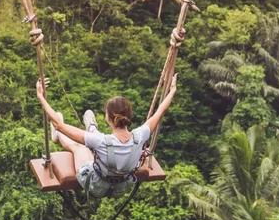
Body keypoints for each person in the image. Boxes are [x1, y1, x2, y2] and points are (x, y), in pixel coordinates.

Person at [35, 29, 184, 198]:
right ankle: (91, 126)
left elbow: (59, 125)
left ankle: (73, 132)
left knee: (79, 147)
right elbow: (161, 110)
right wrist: (172, 90)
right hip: (120, 188)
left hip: (95, 185)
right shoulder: (140, 135)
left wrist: (41, 96)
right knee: (95, 143)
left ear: (109, 118)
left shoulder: (100, 142)